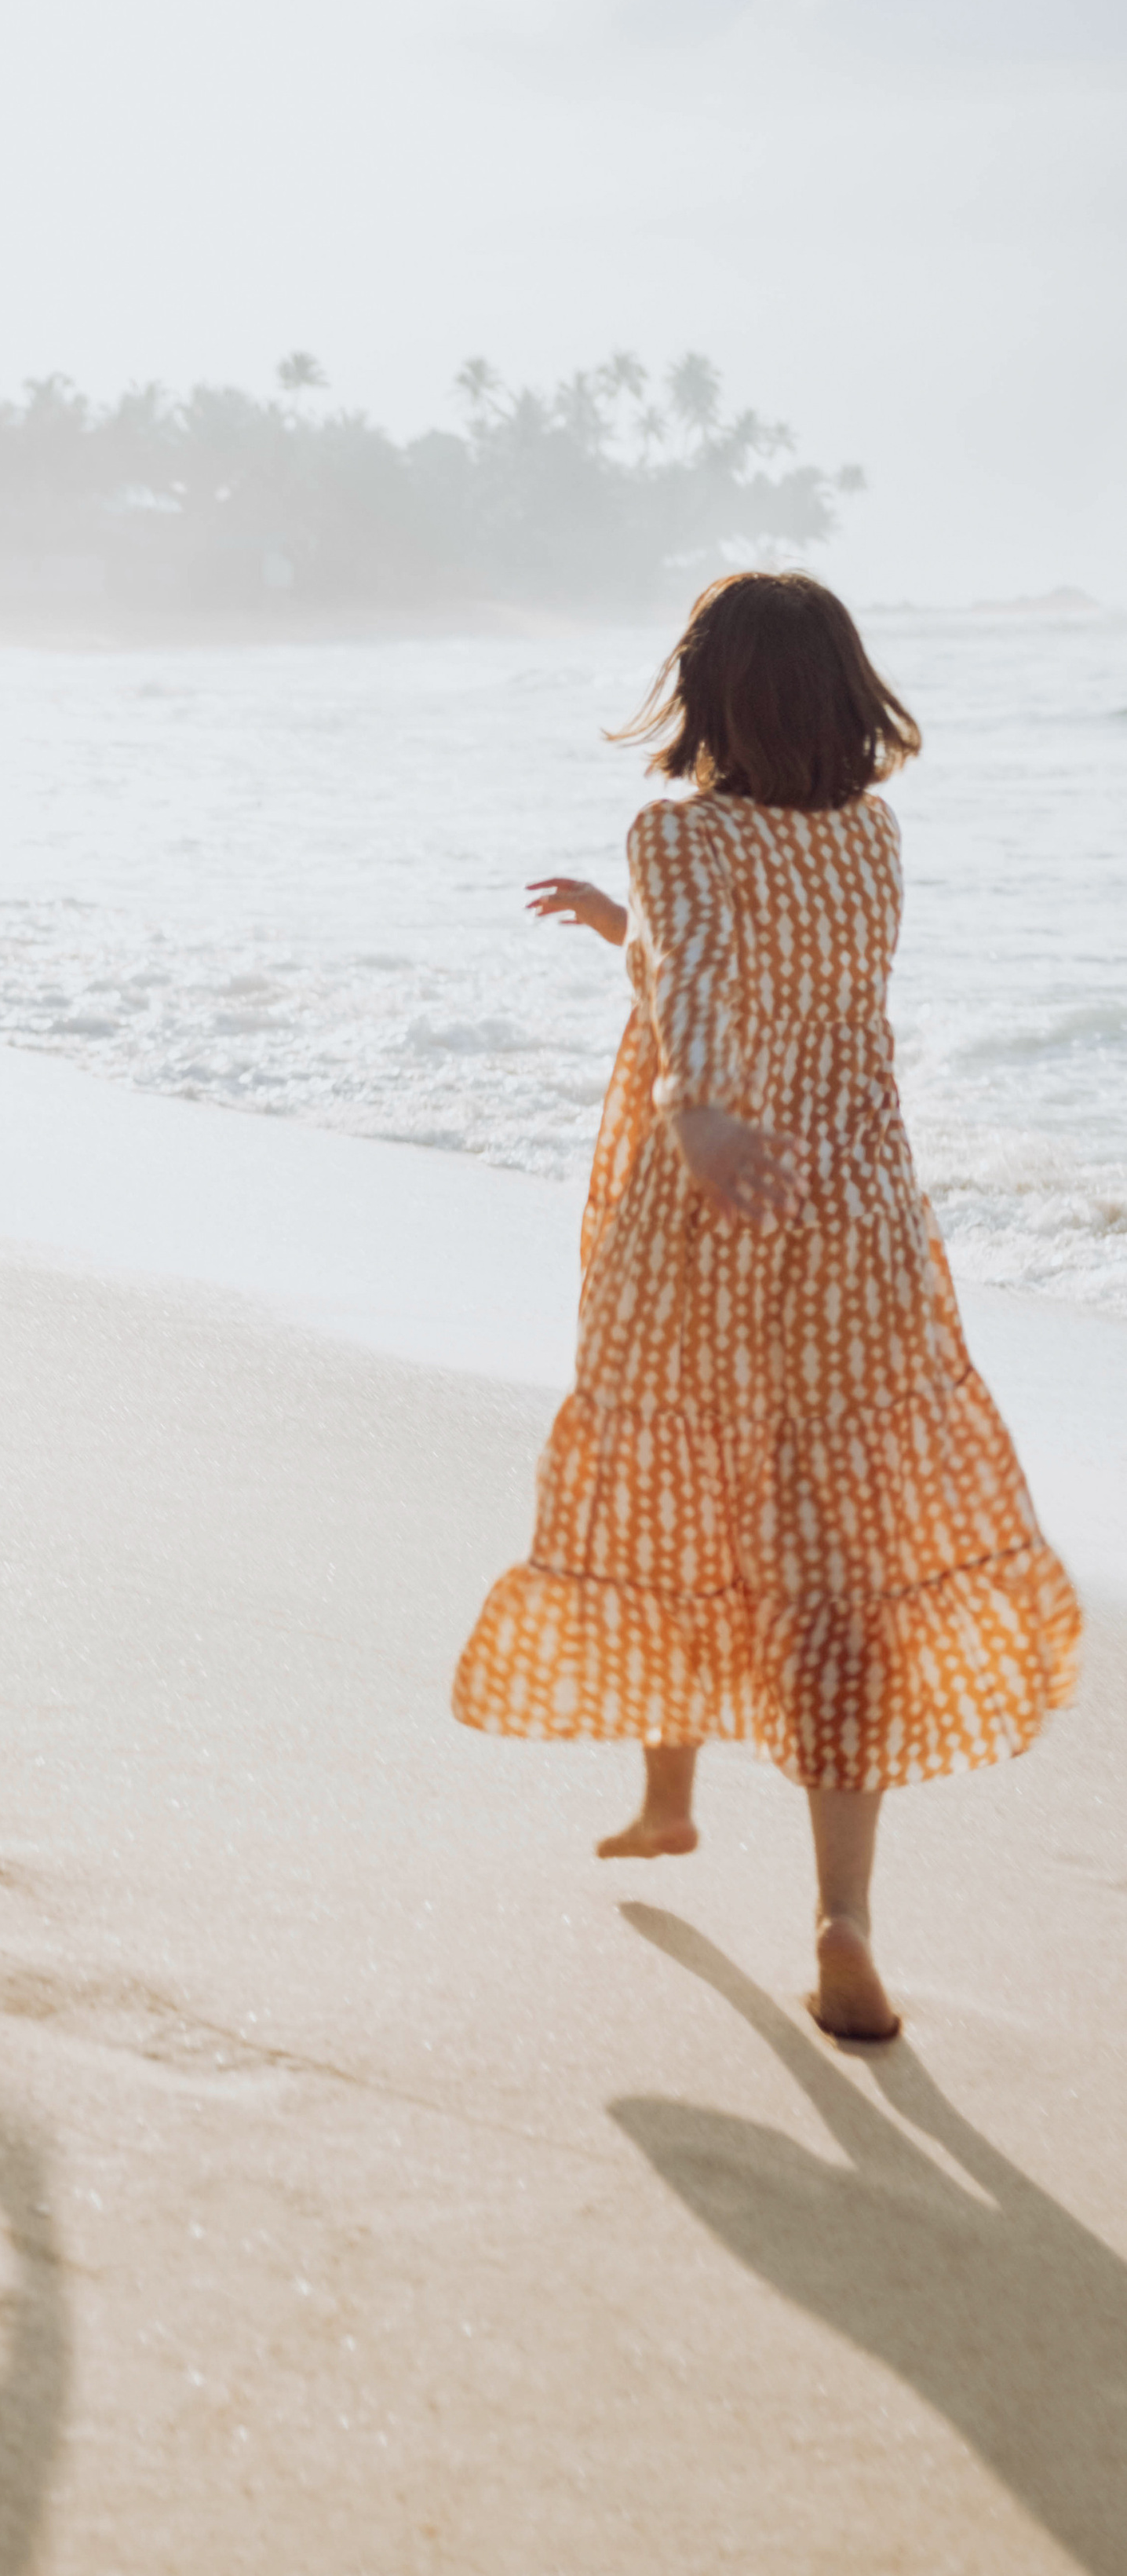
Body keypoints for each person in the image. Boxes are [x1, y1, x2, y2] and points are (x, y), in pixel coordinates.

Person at [454, 573, 1080, 2040]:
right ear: (845, 698)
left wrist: (697, 1114)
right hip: (857, 1224)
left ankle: (671, 1795)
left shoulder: (676, 832)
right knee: (836, 1552)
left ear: (708, 694)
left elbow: (711, 996)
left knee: (681, 1481)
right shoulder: (869, 838)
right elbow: (767, 974)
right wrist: (631, 932)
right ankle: (838, 1912)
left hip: (700, 1217)